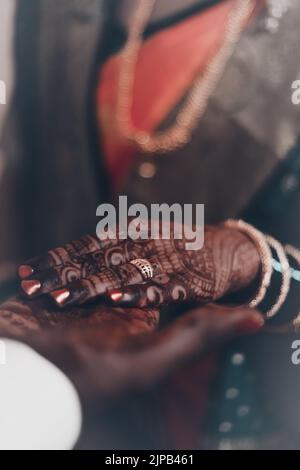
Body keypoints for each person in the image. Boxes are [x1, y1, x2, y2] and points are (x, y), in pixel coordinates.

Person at [1, 0, 300, 449]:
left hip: (222, 415)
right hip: (51, 374)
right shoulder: (52, 10)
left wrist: (258, 264)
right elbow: (23, 182)